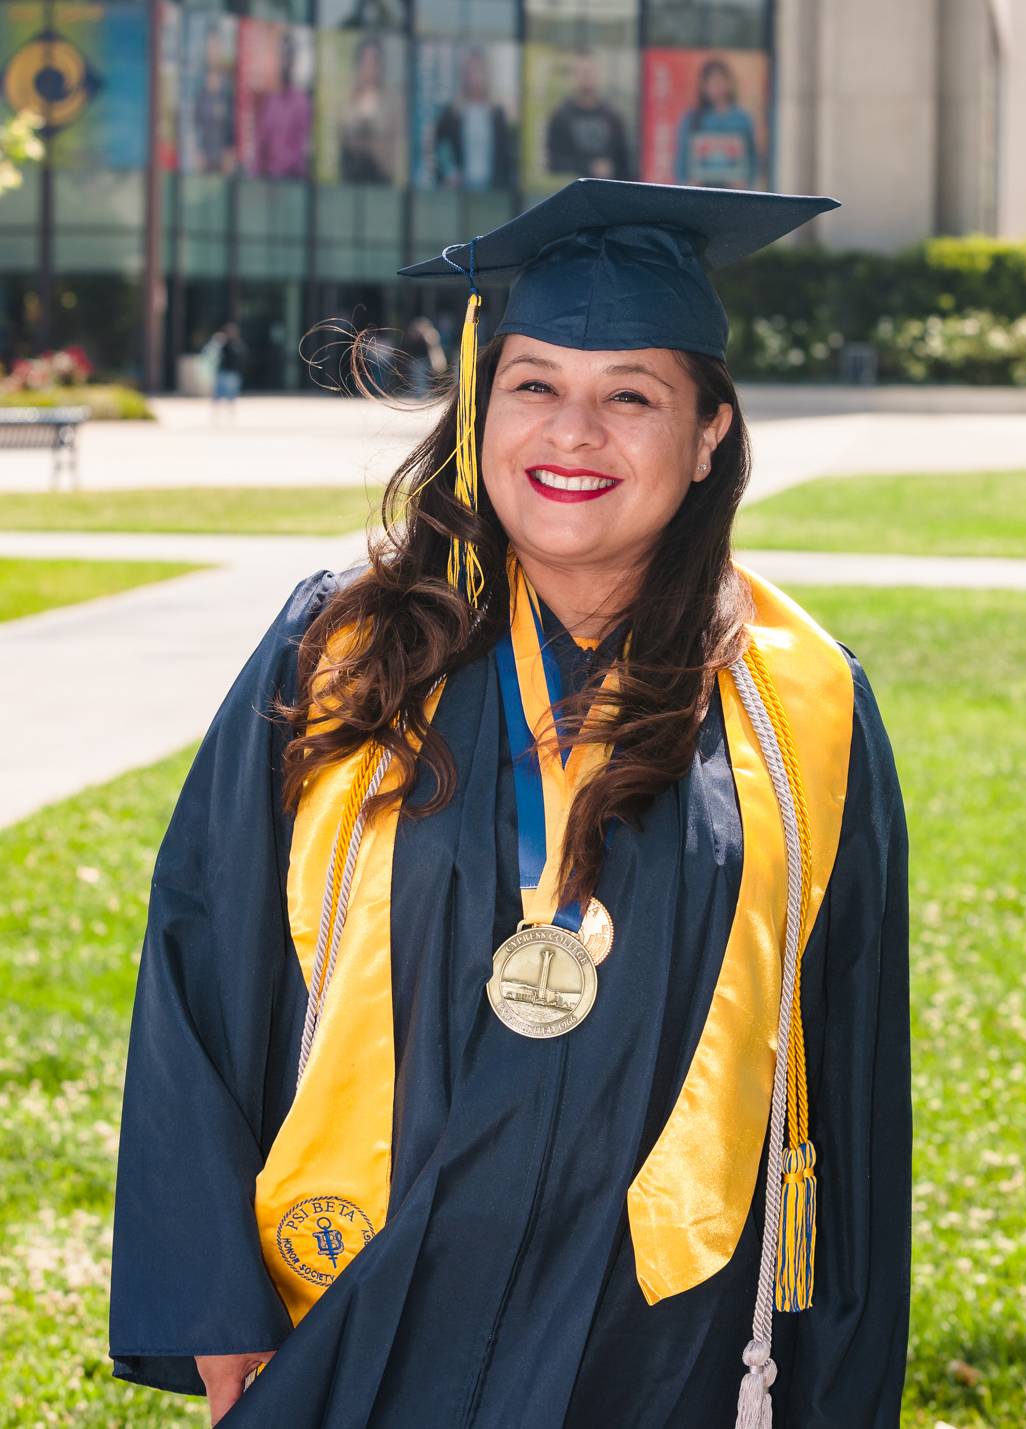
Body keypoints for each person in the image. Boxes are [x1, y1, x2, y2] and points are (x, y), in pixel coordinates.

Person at [109, 179, 911, 1429]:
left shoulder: (803, 707)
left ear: (709, 434)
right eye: (534, 383)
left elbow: (848, 1076)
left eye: (630, 395)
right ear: (484, 408)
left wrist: (835, 1379)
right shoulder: (340, 656)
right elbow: (202, 966)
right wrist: (217, 1305)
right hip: (361, 1306)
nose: (572, 433)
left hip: (658, 1342)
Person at [434, 45, 513, 190]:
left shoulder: (497, 114)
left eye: (478, 71)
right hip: (460, 193)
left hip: (493, 194)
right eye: (470, 71)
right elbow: (439, 150)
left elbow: (506, 159)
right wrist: (449, 174)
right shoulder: (452, 114)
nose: (474, 77)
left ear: (486, 73)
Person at [546, 51, 631, 180]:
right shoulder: (561, 117)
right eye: (581, 72)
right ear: (573, 76)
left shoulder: (612, 117)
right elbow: (554, 162)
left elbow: (624, 160)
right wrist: (587, 167)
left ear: (597, 75)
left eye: (589, 72)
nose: (586, 77)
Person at [675, 58, 757, 189]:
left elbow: (753, 159)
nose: (717, 86)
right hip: (701, 195)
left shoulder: (742, 119)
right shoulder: (692, 118)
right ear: (704, 85)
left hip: (734, 196)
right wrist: (688, 185)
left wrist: (746, 185)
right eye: (712, 81)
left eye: (720, 80)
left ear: (729, 83)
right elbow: (681, 160)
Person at [338, 36, 398, 184]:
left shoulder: (391, 102)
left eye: (373, 61)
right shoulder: (348, 101)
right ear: (358, 64)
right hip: (350, 182)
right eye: (365, 61)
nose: (369, 67)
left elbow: (390, 152)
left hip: (380, 181)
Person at [254, 30, 311, 180]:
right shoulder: (270, 102)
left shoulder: (301, 103)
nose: (283, 60)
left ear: (293, 60)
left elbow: (300, 150)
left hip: (291, 182)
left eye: (287, 55)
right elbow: (260, 143)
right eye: (281, 55)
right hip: (268, 183)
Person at [193, 24, 235, 175]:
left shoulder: (227, 90)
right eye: (210, 47)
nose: (213, 52)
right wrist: (197, 153)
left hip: (223, 163)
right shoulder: (199, 89)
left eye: (216, 47)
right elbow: (193, 123)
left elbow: (232, 125)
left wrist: (230, 153)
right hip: (203, 162)